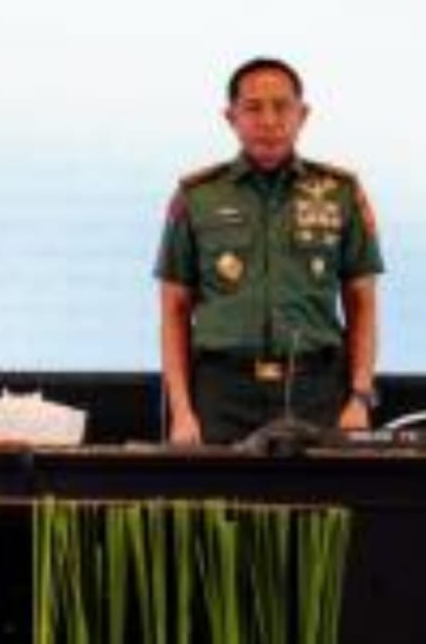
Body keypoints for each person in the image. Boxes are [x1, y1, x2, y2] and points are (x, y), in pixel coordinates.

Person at [155, 57, 384, 445]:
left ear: (302, 115)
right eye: (253, 108)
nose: (269, 120)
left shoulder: (341, 193)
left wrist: (360, 397)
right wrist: (181, 409)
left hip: (316, 389)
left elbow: (362, 302)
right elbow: (174, 309)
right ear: (231, 117)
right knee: (217, 487)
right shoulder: (197, 196)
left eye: (282, 106)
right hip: (220, 393)